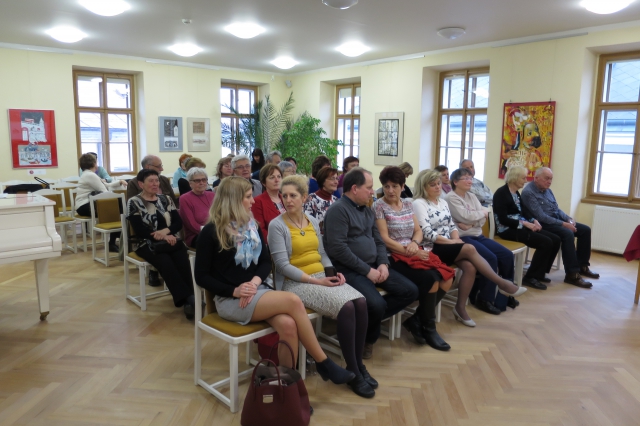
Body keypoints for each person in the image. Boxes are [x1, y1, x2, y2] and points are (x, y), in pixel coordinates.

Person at [194, 176, 355, 386]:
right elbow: (201, 276)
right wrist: (235, 291)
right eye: (248, 197)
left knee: (288, 325)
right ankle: (324, 362)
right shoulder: (210, 232)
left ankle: (285, 384)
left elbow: (264, 263)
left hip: (257, 291)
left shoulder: (251, 226)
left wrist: (253, 282)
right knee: (293, 300)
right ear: (233, 200)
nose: (253, 201)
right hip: (230, 300)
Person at [268, 175, 375, 398]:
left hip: (319, 277)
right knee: (347, 307)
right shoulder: (277, 225)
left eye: (293, 195)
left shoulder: (312, 221)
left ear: (304, 198)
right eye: (284, 196)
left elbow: (323, 253)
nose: (288, 200)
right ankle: (354, 371)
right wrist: (316, 281)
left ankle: (358, 365)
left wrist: (332, 274)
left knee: (361, 301)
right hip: (294, 283)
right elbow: (282, 266)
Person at [323, 167, 418, 359]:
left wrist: (383, 264)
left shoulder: (366, 210)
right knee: (376, 304)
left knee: (410, 291)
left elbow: (379, 241)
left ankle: (362, 324)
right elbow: (338, 250)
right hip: (348, 270)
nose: (373, 192)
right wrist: (367, 270)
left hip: (373, 266)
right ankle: (368, 338)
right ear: (354, 188)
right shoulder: (338, 211)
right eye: (369, 187)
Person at [412, 169, 526, 327]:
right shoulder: (419, 203)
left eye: (438, 183)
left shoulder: (442, 202)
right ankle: (502, 284)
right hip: (431, 247)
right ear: (423, 187)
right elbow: (426, 232)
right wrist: (453, 242)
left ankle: (460, 308)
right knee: (470, 249)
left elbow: (452, 225)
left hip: (448, 244)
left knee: (470, 267)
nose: (438, 187)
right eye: (433, 185)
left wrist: (456, 238)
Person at [373, 166, 453, 350]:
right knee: (432, 278)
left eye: (395, 186)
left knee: (447, 277)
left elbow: (418, 231)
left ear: (403, 186)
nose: (390, 190)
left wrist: (415, 243)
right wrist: (410, 250)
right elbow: (384, 239)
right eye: (386, 186)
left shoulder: (408, 204)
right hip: (393, 255)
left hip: (413, 250)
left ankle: (416, 320)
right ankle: (429, 328)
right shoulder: (379, 206)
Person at [445, 168, 520, 315]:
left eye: (470, 178)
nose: (470, 181)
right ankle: (484, 299)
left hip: (477, 234)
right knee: (490, 258)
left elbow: (482, 218)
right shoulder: (451, 198)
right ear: (455, 182)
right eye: (466, 178)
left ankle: (504, 296)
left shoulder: (472, 196)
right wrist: (477, 216)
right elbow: (466, 216)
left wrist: (471, 223)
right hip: (463, 237)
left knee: (506, 255)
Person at [127, 169, 196, 319]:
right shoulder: (134, 202)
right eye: (150, 181)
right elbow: (139, 230)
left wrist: (166, 232)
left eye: (156, 180)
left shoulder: (166, 199)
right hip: (146, 243)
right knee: (165, 261)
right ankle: (188, 299)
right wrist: (164, 236)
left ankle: (189, 299)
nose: (155, 184)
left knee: (182, 259)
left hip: (170, 240)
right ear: (141, 184)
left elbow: (178, 223)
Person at [521, 167, 599, 288]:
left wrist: (568, 219)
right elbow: (541, 217)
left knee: (585, 230)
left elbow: (556, 209)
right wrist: (564, 224)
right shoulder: (528, 192)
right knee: (567, 233)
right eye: (547, 178)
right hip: (543, 224)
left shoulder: (548, 190)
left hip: (556, 220)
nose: (549, 182)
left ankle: (582, 266)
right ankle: (572, 274)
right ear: (536, 178)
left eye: (551, 179)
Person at [493, 166, 561, 290]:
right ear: (515, 178)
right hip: (507, 230)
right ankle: (530, 277)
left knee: (555, 239)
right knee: (545, 242)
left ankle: (540, 272)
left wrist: (533, 220)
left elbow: (524, 211)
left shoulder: (516, 193)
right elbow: (503, 219)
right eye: (523, 178)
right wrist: (525, 224)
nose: (526, 181)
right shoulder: (501, 193)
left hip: (519, 226)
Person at [76, 153, 128, 252]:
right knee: (117, 207)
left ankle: (117, 236)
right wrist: (117, 197)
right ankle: (118, 236)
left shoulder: (88, 174)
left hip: (85, 205)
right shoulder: (90, 175)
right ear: (93, 163)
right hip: (84, 206)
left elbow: (106, 185)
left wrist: (119, 182)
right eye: (96, 162)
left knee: (118, 207)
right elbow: (104, 192)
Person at [179, 167, 214, 248]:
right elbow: (192, 225)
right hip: (196, 235)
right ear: (190, 183)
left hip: (216, 232)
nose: (201, 183)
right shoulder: (185, 198)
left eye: (204, 180)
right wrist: (212, 232)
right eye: (197, 181)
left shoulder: (212, 195)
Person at [252, 164, 284, 240]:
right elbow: (261, 230)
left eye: (279, 176)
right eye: (272, 177)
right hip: (273, 242)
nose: (277, 180)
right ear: (263, 182)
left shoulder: (286, 198)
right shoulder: (257, 201)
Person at [304, 166, 339, 235]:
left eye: (337, 178)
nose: (336, 182)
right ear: (323, 181)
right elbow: (307, 223)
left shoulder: (335, 200)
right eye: (332, 179)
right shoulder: (311, 199)